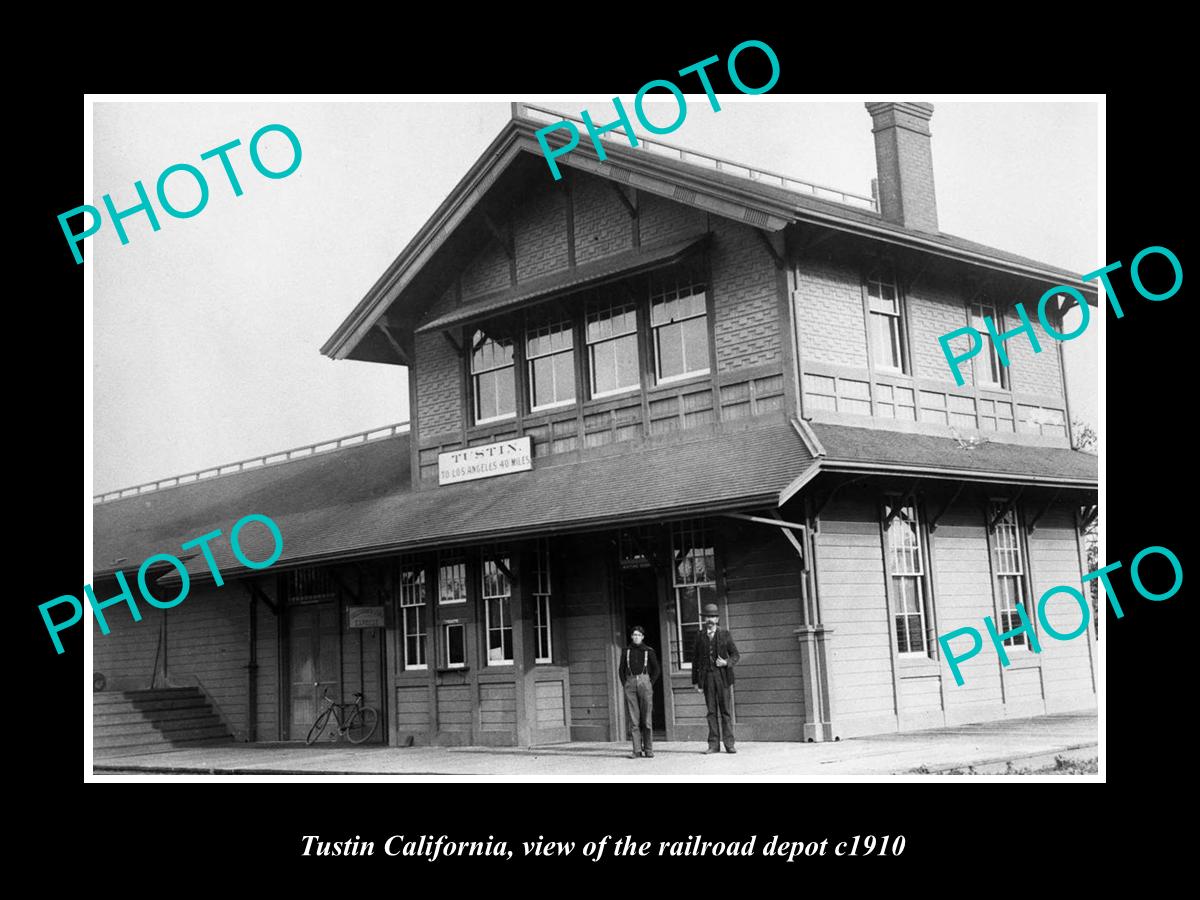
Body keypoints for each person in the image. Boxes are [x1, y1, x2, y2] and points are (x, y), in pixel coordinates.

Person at [691, 602, 740, 753]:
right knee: (711, 712)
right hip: (707, 678)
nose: (710, 620)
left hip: (723, 677)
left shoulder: (725, 634)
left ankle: (729, 744)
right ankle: (713, 745)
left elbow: (736, 655)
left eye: (712, 617)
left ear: (717, 619)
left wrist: (726, 662)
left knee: (725, 711)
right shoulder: (700, 636)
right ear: (704, 620)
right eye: (707, 617)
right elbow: (695, 660)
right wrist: (695, 682)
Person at [618, 625, 661, 758]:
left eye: (639, 635)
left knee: (646, 719)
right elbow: (621, 670)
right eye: (634, 635)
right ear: (631, 636)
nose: (636, 637)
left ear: (642, 637)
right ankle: (636, 749)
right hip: (630, 683)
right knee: (634, 719)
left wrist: (649, 683)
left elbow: (656, 669)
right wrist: (625, 684)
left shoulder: (648, 651)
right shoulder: (626, 651)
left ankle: (648, 749)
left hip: (645, 682)